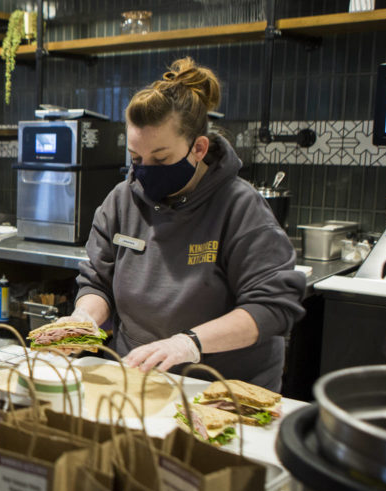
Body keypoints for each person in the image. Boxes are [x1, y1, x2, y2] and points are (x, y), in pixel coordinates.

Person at [69, 57, 305, 391]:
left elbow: (273, 306)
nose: (145, 170)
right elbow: (97, 282)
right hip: (138, 380)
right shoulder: (120, 202)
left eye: (161, 158)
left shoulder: (240, 208)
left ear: (198, 148)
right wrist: (84, 318)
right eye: (136, 158)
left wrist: (189, 343)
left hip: (222, 389)